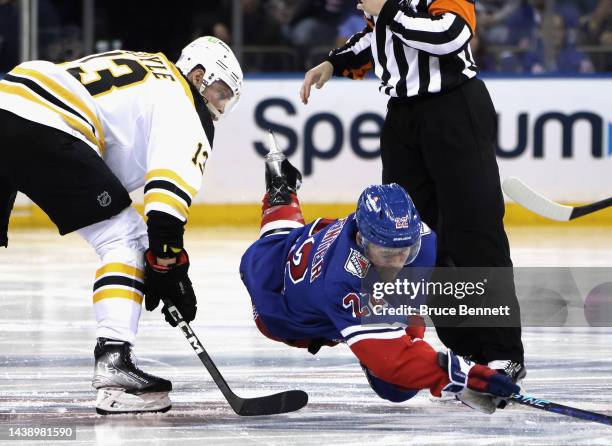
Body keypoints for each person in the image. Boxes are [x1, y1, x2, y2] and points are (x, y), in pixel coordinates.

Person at [0, 36, 243, 414]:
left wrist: (167, 260)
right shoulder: (185, 104)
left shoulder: (148, 64)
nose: (219, 105)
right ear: (198, 74)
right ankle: (114, 367)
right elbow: (165, 204)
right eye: (220, 90)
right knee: (126, 239)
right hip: (47, 121)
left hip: (10, 96)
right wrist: (167, 263)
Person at [299, 0, 525, 393]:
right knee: (411, 243)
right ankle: (467, 352)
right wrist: (335, 62)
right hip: (404, 119)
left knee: (475, 235)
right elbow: (378, 37)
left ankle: (502, 352)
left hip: (456, 110)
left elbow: (451, 36)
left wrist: (388, 9)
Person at [239, 153, 520, 413]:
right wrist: (462, 376)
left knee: (283, 231)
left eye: (406, 251)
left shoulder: (412, 236)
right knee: (396, 387)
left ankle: (281, 186)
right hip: (280, 309)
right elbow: (394, 361)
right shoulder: (343, 284)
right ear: (362, 241)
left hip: (301, 242)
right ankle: (281, 191)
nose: (398, 261)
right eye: (387, 253)